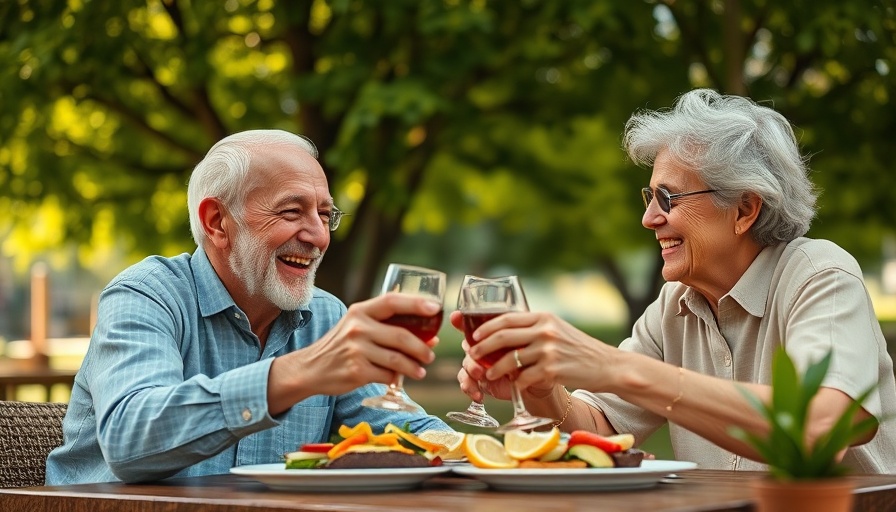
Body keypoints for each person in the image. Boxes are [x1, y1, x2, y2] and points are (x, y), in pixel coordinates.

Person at [454, 89, 896, 472]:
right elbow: (597, 430)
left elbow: (819, 427)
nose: (648, 219)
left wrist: (619, 368)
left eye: (668, 198)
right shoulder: (674, 305)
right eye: (650, 197)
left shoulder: (819, 275)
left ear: (744, 209)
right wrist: (543, 389)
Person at [46, 130, 451, 484]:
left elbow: (402, 431)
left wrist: (500, 419)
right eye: (292, 211)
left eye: (325, 215)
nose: (318, 236)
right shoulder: (146, 295)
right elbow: (130, 437)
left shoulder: (326, 316)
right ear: (217, 222)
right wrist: (301, 372)